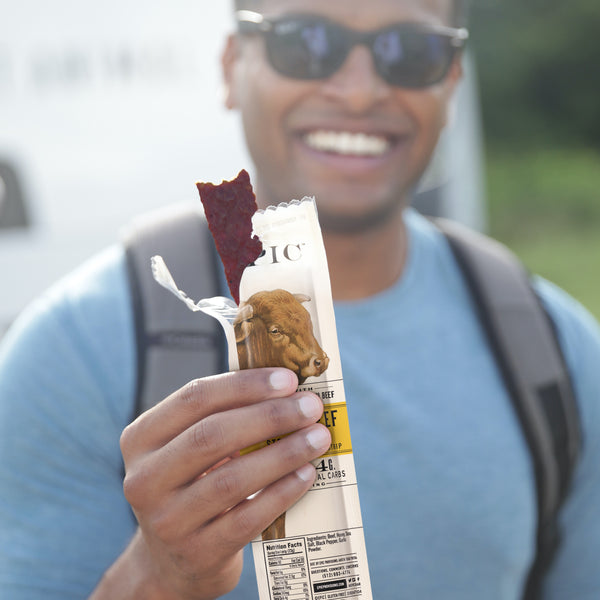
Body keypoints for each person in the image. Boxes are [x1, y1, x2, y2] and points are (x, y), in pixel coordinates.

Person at [1, 0, 599, 598]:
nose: (360, 91)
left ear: (453, 77)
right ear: (232, 64)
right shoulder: (73, 349)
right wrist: (158, 576)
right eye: (305, 41)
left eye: (410, 52)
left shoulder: (560, 353)